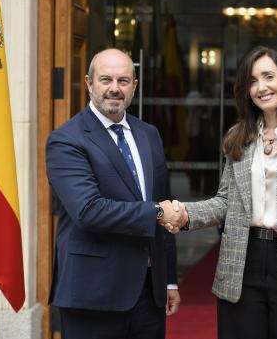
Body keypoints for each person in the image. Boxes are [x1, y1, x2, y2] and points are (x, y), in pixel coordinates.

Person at [166, 46, 277, 339]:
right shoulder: (239, 136)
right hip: (241, 265)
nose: (261, 87)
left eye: (268, 76)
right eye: (251, 80)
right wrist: (185, 214)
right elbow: (225, 201)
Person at [46, 48, 182, 339]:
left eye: (123, 80)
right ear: (89, 83)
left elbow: (164, 205)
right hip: (93, 295)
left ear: (134, 86)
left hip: (149, 293)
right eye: (106, 79)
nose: (114, 88)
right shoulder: (66, 140)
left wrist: (169, 281)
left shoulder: (149, 134)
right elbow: (88, 210)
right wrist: (157, 212)